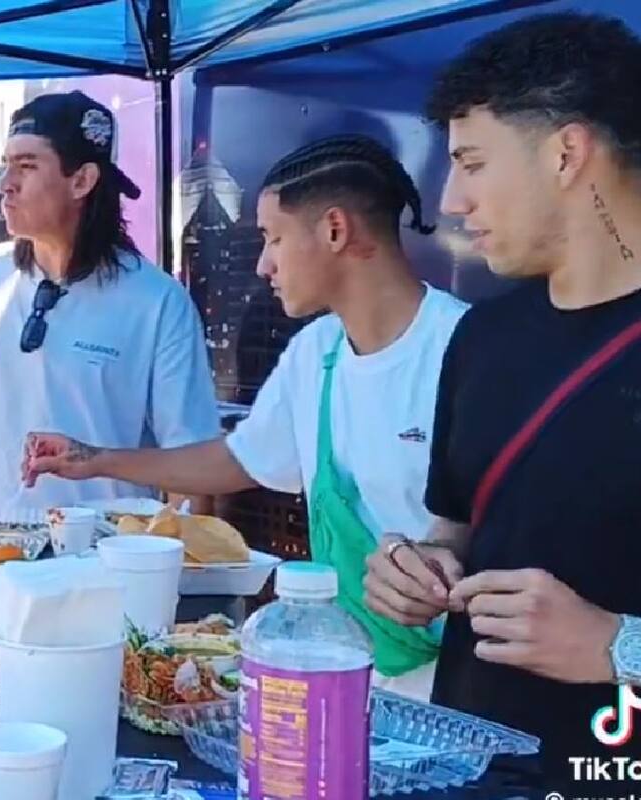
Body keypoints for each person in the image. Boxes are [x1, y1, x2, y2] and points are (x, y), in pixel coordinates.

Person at [24, 134, 470, 699]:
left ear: (335, 230)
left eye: (273, 238)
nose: (263, 265)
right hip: (348, 672)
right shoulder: (317, 352)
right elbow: (239, 461)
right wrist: (93, 459)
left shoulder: (464, 349)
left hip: (452, 687)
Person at [361, 11, 641, 793]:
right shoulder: (484, 336)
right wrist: (418, 568)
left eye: (473, 163)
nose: (452, 201)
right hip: (466, 766)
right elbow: (459, 529)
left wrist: (617, 646)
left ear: (566, 153)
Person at [0, 90, 220, 508]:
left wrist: (181, 546)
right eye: (6, 165)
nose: (4, 184)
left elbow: (191, 466)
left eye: (27, 166)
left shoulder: (157, 303)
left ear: (82, 181)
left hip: (95, 547)